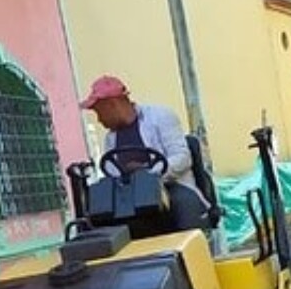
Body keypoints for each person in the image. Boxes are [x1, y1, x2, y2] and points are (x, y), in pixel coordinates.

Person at [80, 75, 215, 238]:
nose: (100, 120)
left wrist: (148, 174)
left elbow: (182, 158)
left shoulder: (161, 117)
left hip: (172, 186)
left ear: (112, 104)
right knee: (106, 215)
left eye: (100, 112)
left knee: (180, 205)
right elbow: (112, 172)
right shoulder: (111, 138)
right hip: (133, 196)